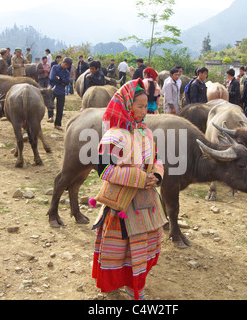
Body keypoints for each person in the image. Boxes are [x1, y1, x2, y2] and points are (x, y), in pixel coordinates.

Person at [90, 78, 167, 300]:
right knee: (125, 248)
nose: (145, 111)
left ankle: (136, 286)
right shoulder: (113, 135)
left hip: (146, 201)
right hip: (123, 204)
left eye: (146, 106)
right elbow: (104, 170)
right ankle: (126, 285)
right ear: (126, 106)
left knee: (146, 246)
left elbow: (156, 157)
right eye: (140, 106)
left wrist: (157, 175)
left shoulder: (145, 131)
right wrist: (140, 178)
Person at [49, 57, 72, 130]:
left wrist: (59, 78)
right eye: (65, 64)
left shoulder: (67, 72)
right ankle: (50, 117)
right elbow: (52, 77)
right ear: (62, 62)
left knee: (60, 108)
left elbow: (67, 82)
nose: (66, 66)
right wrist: (61, 81)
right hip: (52, 89)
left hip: (61, 91)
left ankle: (57, 124)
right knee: (50, 103)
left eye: (67, 65)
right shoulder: (55, 67)